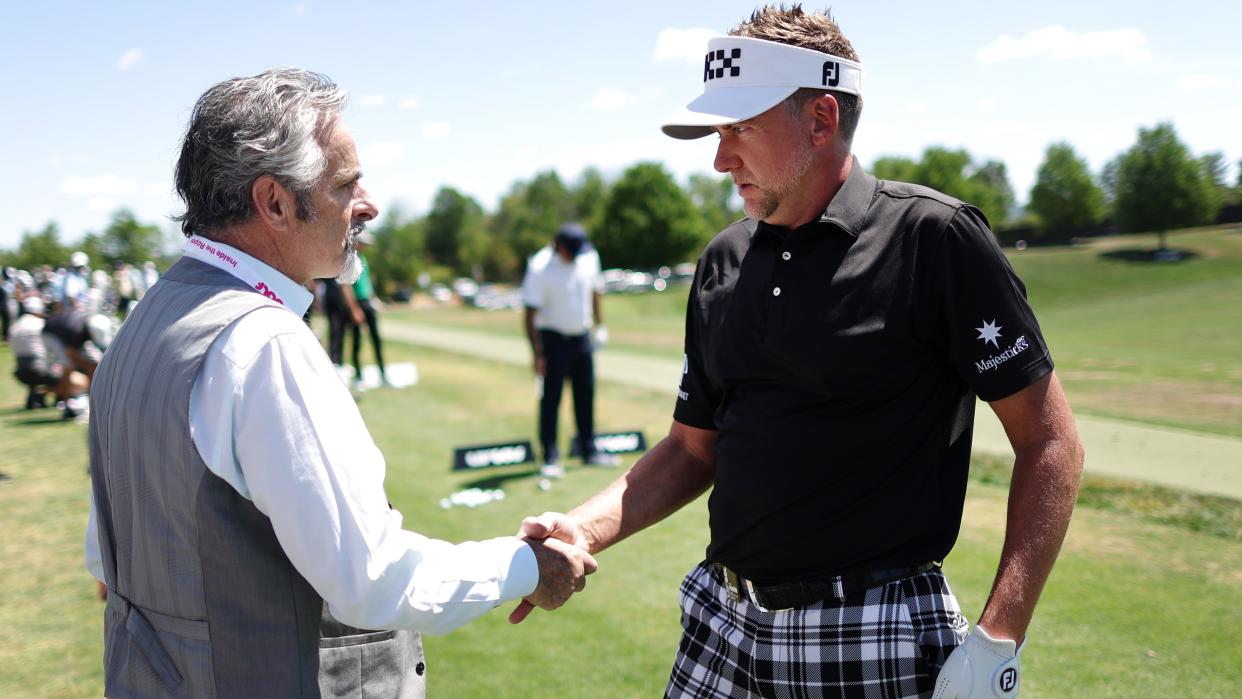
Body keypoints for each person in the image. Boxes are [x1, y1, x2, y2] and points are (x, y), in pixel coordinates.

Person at [518, 7, 1084, 698]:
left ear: (820, 118)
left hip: (871, 632)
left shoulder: (933, 239)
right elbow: (693, 449)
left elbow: (1051, 438)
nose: (720, 158)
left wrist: (998, 638)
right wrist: (580, 528)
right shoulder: (723, 258)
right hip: (720, 620)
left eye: (740, 130)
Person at [85, 68, 596, 698]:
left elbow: (105, 560)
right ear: (274, 201)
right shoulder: (262, 342)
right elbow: (374, 578)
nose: (370, 205)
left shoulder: (146, 318)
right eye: (347, 184)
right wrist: (527, 566)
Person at [521, 222, 619, 478]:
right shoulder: (540, 266)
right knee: (551, 399)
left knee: (585, 393)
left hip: (581, 337)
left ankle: (588, 449)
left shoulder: (588, 256)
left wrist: (601, 326)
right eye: (571, 251)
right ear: (559, 246)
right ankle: (550, 456)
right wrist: (537, 353)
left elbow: (596, 292)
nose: (576, 256)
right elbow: (530, 313)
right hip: (552, 340)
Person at [9, 296, 89, 412]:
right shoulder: (41, 324)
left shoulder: (15, 326)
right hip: (40, 369)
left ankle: (36, 396)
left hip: (20, 371)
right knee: (78, 377)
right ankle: (62, 399)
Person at [347, 230, 388, 389]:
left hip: (367, 302)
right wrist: (354, 309)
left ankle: (383, 373)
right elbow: (346, 287)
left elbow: (368, 283)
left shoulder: (363, 259)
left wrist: (373, 300)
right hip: (357, 303)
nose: (366, 246)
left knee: (376, 339)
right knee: (357, 341)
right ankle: (358, 375)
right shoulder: (350, 260)